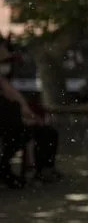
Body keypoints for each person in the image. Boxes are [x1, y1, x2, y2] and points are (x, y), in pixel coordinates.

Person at [0, 40, 61, 187]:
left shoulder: (4, 82)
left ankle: (43, 169)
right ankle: (7, 170)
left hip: (15, 126)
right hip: (10, 127)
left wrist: (29, 117)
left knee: (47, 133)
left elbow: (20, 106)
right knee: (25, 135)